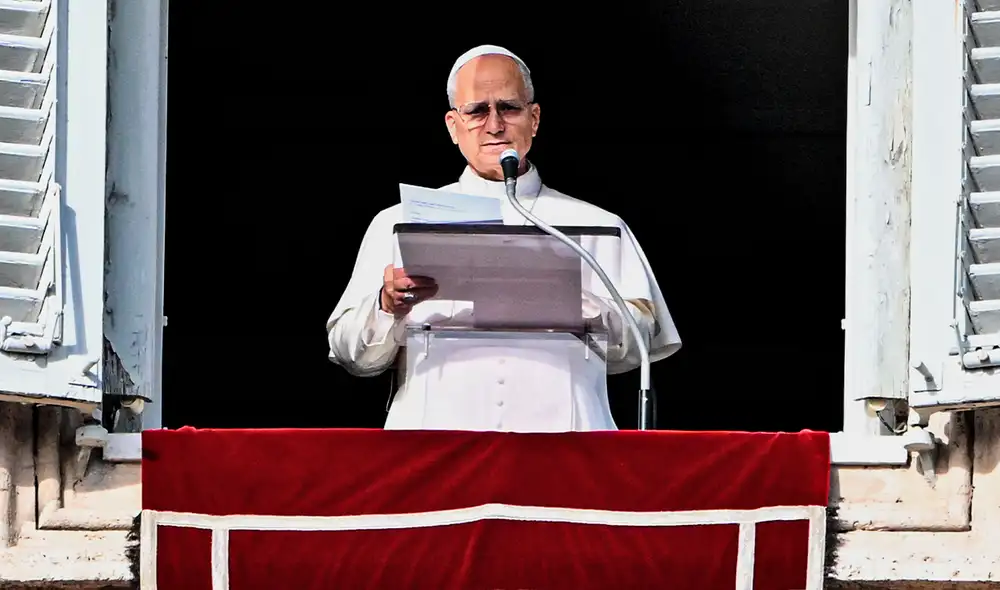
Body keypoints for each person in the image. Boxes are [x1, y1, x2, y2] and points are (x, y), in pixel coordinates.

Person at [326, 44, 681, 432]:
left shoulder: (598, 225)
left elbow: (642, 343)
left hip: (567, 445)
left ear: (534, 118)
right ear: (453, 126)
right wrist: (386, 305)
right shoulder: (397, 222)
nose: (494, 125)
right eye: (477, 111)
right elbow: (349, 354)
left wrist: (581, 306)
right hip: (435, 445)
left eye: (509, 108)